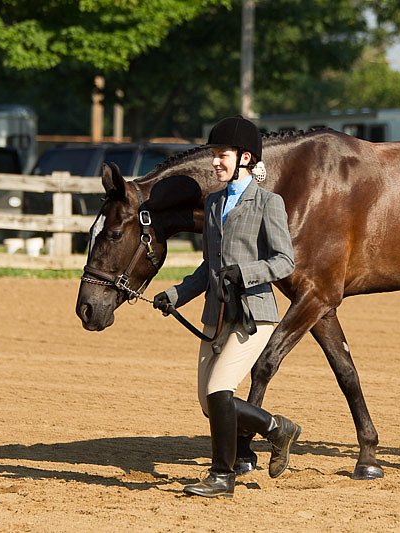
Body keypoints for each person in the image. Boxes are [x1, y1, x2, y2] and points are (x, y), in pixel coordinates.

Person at [153, 115, 300, 498]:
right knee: (209, 403)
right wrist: (176, 294)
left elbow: (285, 261)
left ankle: (222, 476)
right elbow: (209, 267)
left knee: (221, 391)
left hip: (255, 315)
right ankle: (277, 429)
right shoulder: (214, 202)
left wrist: (246, 272)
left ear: (246, 158)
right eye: (214, 155)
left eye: (222, 155)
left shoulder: (269, 203)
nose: (215, 162)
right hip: (216, 315)